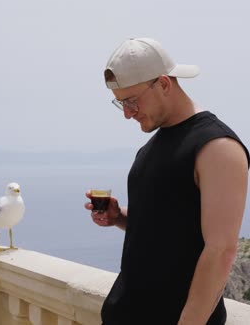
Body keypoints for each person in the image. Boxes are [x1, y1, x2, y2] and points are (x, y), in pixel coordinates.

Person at [85, 37, 249, 325]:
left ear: (163, 84)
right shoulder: (152, 147)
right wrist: (120, 217)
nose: (127, 114)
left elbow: (221, 250)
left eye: (132, 101)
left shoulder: (217, 147)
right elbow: (167, 226)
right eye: (120, 103)